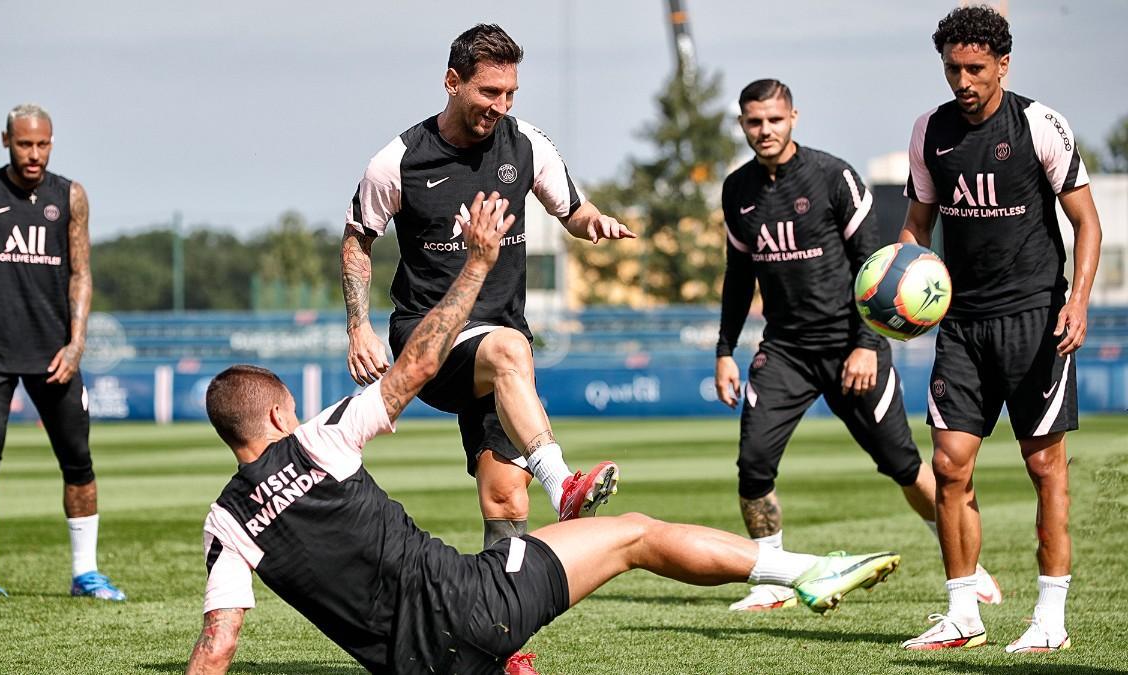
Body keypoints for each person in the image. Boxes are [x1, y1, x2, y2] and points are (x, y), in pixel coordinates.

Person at [186, 193, 902, 675]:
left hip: (417, 665)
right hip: (477, 606)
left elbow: (218, 646)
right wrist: (476, 262)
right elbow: (419, 363)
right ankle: (804, 570)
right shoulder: (320, 437)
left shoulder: (225, 523)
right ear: (279, 413)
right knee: (633, 533)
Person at [341, 24, 636, 549]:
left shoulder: (526, 144)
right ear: (452, 82)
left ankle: (501, 621)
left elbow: (572, 209)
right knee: (508, 348)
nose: (500, 104)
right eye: (488, 92)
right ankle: (564, 484)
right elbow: (358, 238)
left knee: (506, 497)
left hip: (503, 350)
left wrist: (595, 222)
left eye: (510, 93)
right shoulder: (399, 161)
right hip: (428, 340)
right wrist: (358, 326)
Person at [715, 79, 1000, 612]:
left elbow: (879, 261)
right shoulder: (737, 190)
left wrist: (867, 344)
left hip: (853, 347)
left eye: (774, 120)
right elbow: (737, 276)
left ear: (793, 117)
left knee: (903, 464)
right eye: (754, 122)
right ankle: (774, 579)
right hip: (785, 351)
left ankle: (969, 562)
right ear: (742, 124)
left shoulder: (832, 176)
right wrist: (725, 349)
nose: (764, 131)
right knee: (753, 464)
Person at [898, 6, 1101, 653]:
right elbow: (916, 225)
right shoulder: (930, 131)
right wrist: (904, 285)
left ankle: (1050, 619)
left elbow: (1087, 223)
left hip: (1037, 320)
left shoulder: (1039, 124)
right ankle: (962, 613)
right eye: (953, 67)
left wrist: (1080, 301)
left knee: (1045, 467)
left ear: (1003, 65)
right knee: (949, 464)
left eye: (976, 68)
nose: (963, 79)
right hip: (962, 327)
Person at [0, 104, 125, 605]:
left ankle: (86, 573)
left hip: (54, 354)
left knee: (78, 461)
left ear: (52, 142)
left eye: (42, 144)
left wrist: (77, 343)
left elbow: (81, 271)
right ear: (6, 141)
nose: (33, 154)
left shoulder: (70, 196)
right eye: (23, 144)